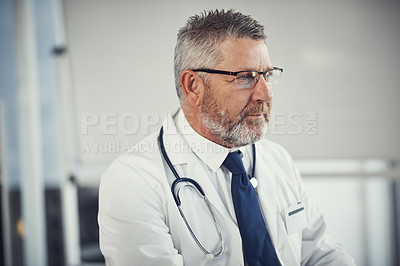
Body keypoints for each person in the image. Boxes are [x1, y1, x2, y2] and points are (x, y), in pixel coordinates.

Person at [98, 9, 355, 266]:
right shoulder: (132, 181)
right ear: (193, 86)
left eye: (267, 76)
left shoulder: (278, 159)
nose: (265, 95)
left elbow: (321, 253)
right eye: (245, 77)